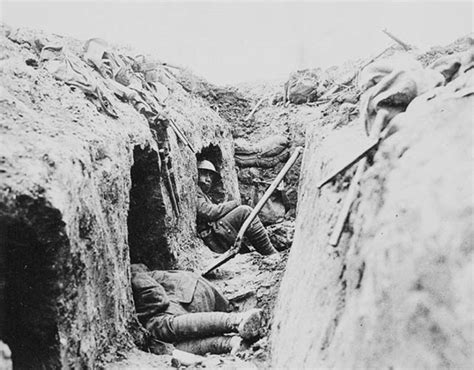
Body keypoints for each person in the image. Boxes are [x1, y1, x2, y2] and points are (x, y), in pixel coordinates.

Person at [131, 264, 263, 355]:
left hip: (190, 292)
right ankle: (231, 343)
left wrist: (138, 317)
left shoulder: (131, 274)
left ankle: (237, 321)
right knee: (161, 346)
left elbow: (156, 297)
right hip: (194, 303)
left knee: (157, 326)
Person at [196, 160, 280, 261]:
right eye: (205, 174)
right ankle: (270, 253)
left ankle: (269, 252)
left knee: (245, 213)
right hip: (213, 237)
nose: (208, 179)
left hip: (215, 233)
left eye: (210, 176)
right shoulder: (196, 191)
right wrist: (235, 203)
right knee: (245, 212)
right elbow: (209, 212)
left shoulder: (204, 195)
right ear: (197, 174)